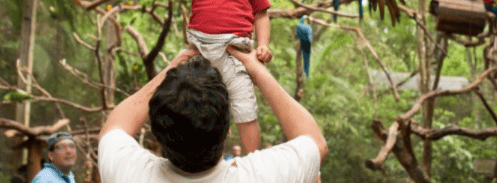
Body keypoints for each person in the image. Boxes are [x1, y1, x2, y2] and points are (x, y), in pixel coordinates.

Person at [98, 48, 327, 182]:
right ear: (228, 128)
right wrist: (257, 71)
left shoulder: (131, 174)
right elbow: (315, 142)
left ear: (157, 134)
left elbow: (115, 127)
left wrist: (173, 67)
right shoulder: (260, 176)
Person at [167, 0, 272, 153]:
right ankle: (200, 156)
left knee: (245, 110)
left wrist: (263, 44)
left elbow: (261, 15)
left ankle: (253, 159)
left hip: (234, 54)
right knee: (196, 107)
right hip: (200, 53)